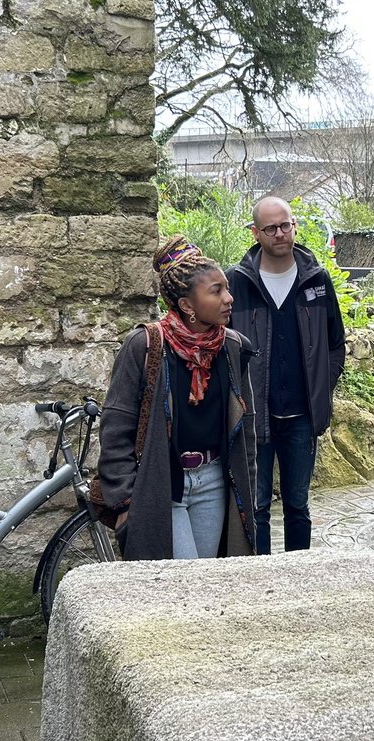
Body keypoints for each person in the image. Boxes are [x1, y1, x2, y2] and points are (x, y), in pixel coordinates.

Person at [95, 235, 256, 560]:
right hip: (161, 485)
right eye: (216, 291)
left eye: (225, 287)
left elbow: (245, 430)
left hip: (213, 481)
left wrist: (248, 487)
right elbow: (116, 426)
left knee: (204, 579)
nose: (229, 298)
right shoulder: (144, 346)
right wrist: (126, 502)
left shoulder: (232, 348)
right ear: (186, 305)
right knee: (179, 581)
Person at [228, 196, 345, 554]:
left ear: (294, 226)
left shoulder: (317, 280)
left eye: (286, 225)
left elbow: (335, 343)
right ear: (256, 233)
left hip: (301, 416)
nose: (280, 233)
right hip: (255, 414)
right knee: (258, 506)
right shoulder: (238, 281)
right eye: (271, 228)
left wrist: (323, 387)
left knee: (298, 506)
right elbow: (224, 345)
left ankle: (299, 575)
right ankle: (263, 580)